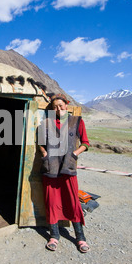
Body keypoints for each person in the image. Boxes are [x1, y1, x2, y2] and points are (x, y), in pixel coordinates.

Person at [38, 94, 90, 253]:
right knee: (52, 202)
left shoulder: (77, 121)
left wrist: (75, 153)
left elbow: (86, 143)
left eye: (61, 105)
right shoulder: (45, 124)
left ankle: (80, 237)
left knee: (73, 202)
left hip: (68, 167)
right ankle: (54, 236)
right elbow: (40, 143)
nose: (58, 109)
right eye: (55, 107)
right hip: (51, 168)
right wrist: (44, 153)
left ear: (66, 105)